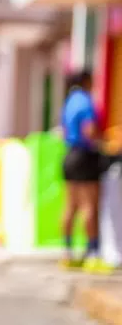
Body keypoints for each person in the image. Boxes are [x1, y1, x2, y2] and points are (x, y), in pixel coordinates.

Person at [61, 70, 112, 273]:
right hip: (85, 156)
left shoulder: (69, 101)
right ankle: (93, 253)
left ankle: (67, 252)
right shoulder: (86, 101)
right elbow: (89, 130)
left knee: (70, 206)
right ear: (86, 82)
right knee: (89, 205)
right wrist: (103, 141)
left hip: (70, 155)